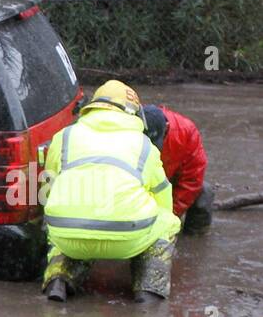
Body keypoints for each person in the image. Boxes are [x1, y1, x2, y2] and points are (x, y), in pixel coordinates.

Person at [41, 80, 180, 303]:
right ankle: (149, 290)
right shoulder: (145, 145)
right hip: (127, 236)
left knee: (64, 215)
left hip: (67, 234)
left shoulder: (64, 136)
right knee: (168, 221)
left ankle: (59, 279)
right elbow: (163, 195)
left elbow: (48, 187)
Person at [140, 103, 212, 234]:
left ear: (166, 129)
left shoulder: (186, 132)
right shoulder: (126, 128)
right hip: (139, 183)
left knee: (204, 192)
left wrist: (171, 215)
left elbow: (192, 179)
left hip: (169, 182)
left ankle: (193, 238)